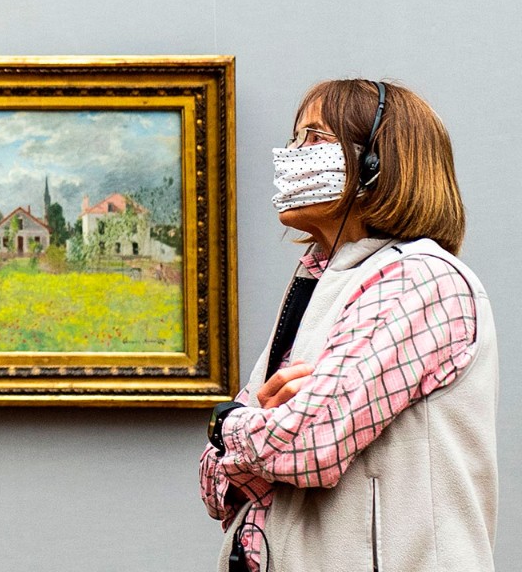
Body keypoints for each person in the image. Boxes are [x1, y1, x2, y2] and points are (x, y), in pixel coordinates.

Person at [199, 79, 497, 571]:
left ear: (377, 164)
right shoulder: (319, 280)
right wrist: (261, 433)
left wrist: (228, 423)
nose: (291, 155)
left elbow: (311, 442)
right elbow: (217, 489)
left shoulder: (419, 279)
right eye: (294, 139)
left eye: (314, 138)